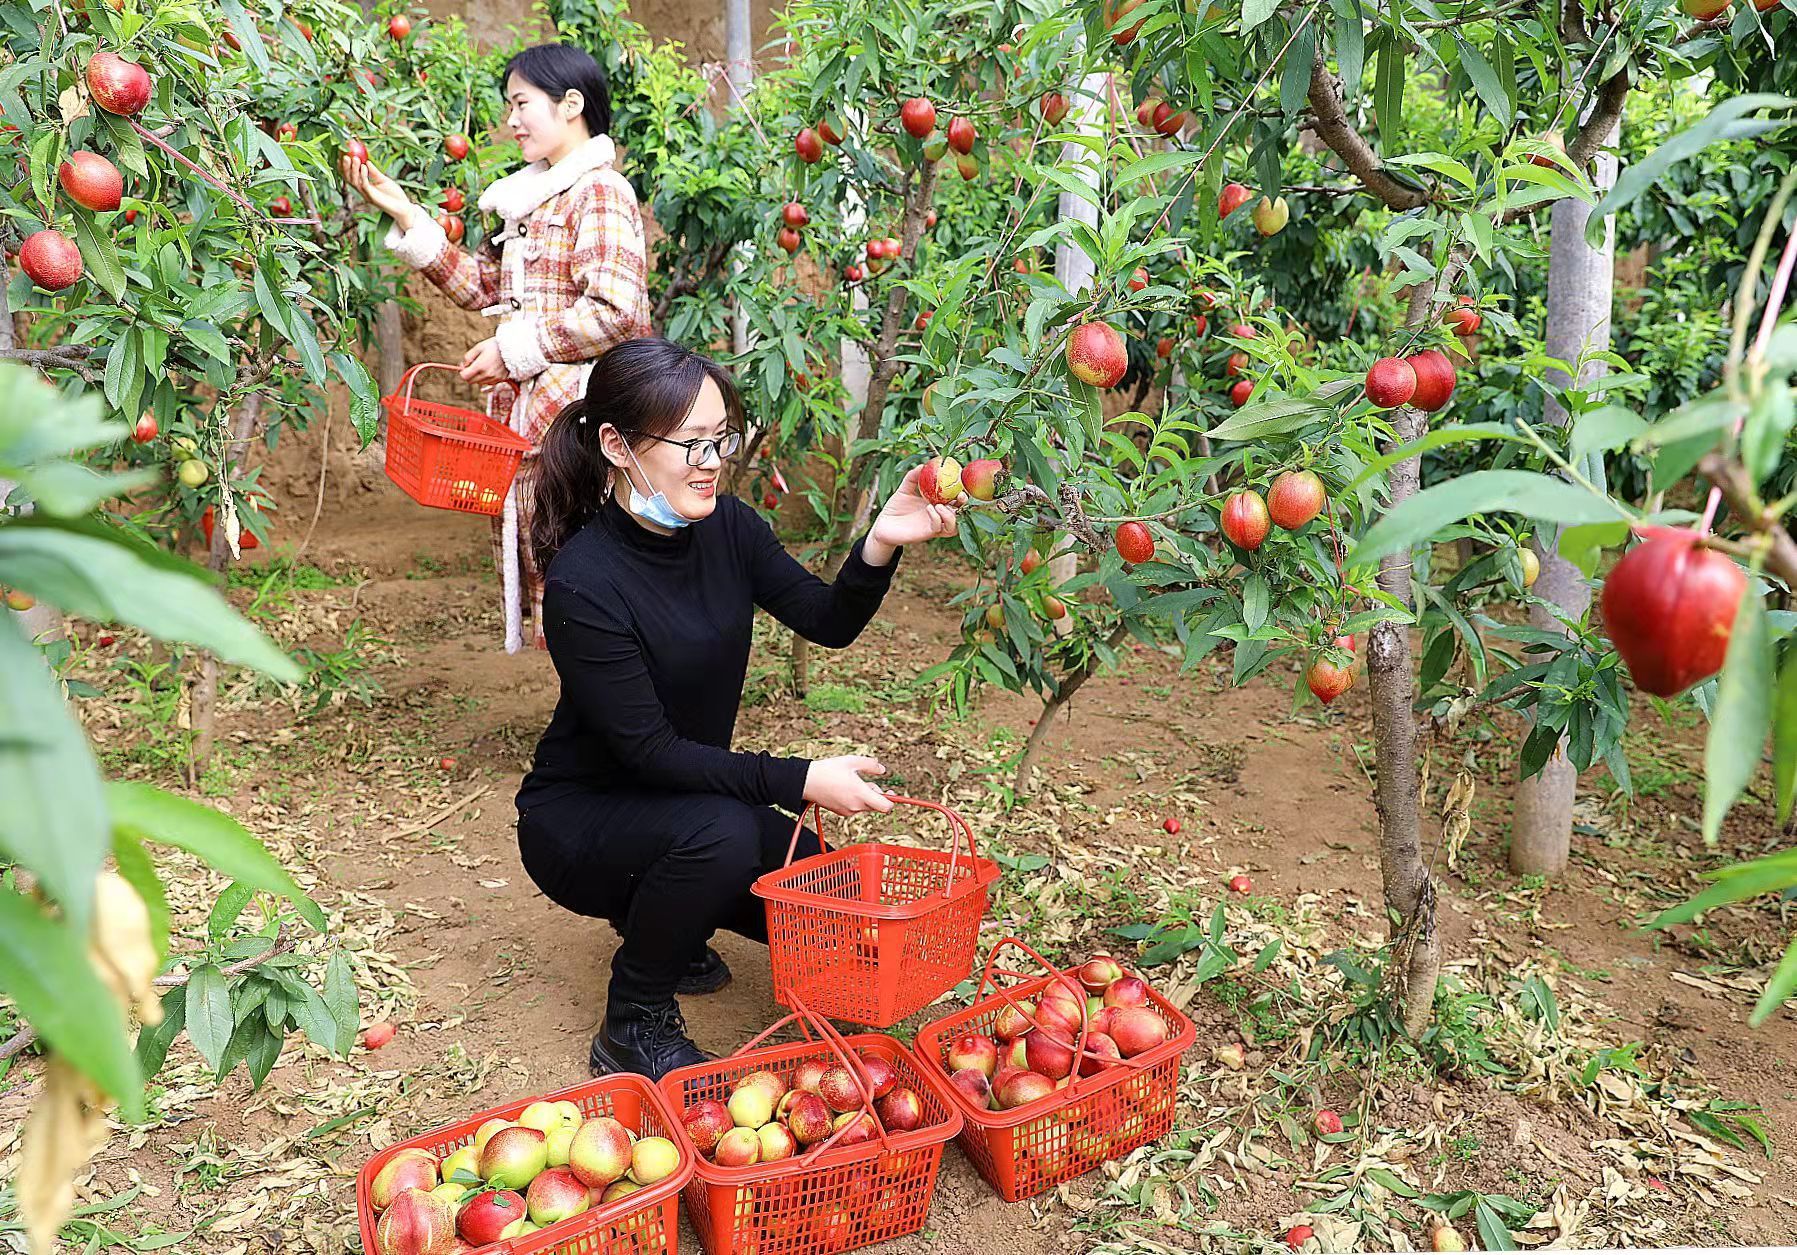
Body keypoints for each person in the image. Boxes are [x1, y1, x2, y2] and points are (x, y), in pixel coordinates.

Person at [515, 337, 959, 1079]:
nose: (711, 460)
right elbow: (649, 752)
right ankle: (633, 1022)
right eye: (689, 443)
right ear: (616, 445)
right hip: (581, 822)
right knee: (721, 836)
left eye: (721, 438)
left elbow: (827, 619)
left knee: (830, 898)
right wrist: (800, 777)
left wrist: (880, 540)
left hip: (680, 798)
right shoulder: (586, 583)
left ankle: (665, 918)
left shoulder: (729, 528)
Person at [341, 43, 651, 654]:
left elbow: (617, 312)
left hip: (582, 420)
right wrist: (406, 214)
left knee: (582, 564)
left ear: (571, 104)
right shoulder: (526, 201)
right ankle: (591, 717)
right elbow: (483, 287)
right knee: (549, 556)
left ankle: (618, 716)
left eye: (520, 103)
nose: (511, 121)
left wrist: (514, 353)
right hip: (532, 418)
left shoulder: (599, 191)